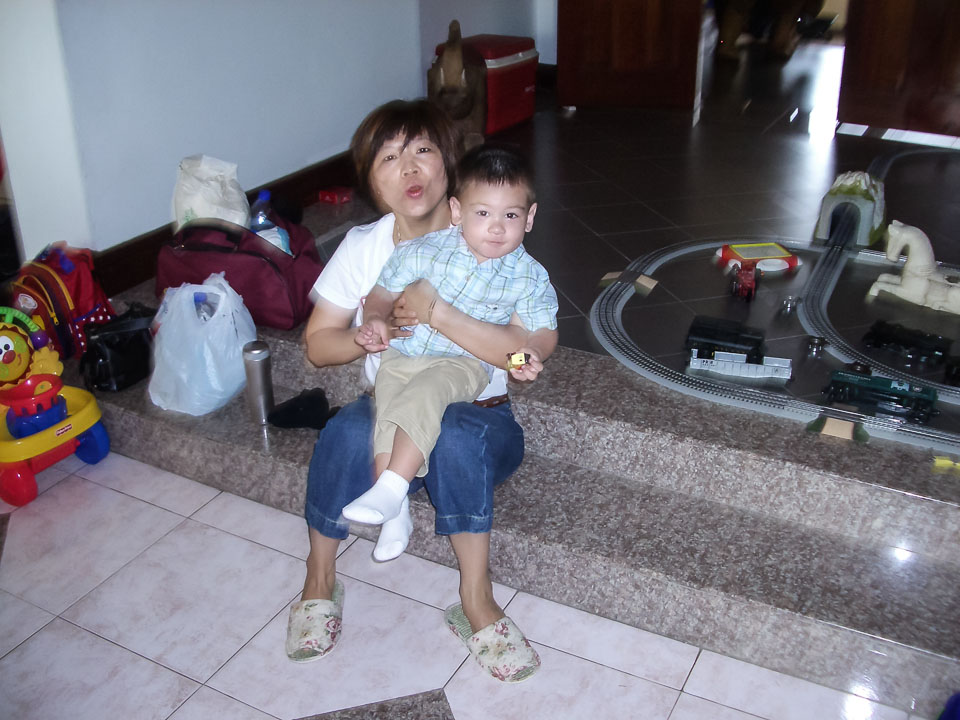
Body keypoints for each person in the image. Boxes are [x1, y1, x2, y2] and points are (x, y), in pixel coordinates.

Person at [286, 99, 556, 683]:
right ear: (371, 179)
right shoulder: (367, 247)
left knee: (455, 433)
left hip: (479, 413)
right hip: (393, 400)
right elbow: (318, 346)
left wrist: (439, 315)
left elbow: (523, 346)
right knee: (345, 430)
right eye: (389, 158)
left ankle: (476, 601)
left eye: (423, 151)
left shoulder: (497, 240)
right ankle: (318, 579)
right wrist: (377, 330)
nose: (408, 170)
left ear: (449, 168)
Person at [341, 145, 558, 563]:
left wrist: (528, 354)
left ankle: (392, 487)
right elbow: (382, 292)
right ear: (457, 211)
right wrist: (377, 320)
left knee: (429, 390)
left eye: (511, 215)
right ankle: (395, 514)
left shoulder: (529, 276)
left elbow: (542, 332)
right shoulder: (424, 251)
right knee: (389, 412)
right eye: (483, 213)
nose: (497, 227)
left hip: (463, 364)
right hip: (403, 355)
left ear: (530, 217)